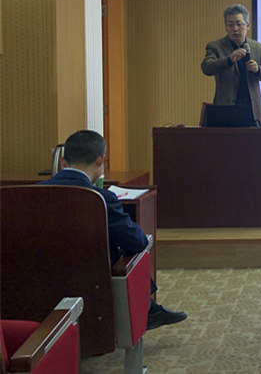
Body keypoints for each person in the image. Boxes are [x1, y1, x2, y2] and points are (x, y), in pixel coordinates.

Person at [39, 130, 187, 331]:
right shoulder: (101, 199)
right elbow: (137, 242)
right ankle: (147, 311)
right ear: (100, 161)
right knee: (133, 251)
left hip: (42, 277)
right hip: (93, 280)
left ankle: (151, 309)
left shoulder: (34, 193)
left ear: (63, 162)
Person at [201, 4, 261, 126]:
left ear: (248, 26)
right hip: (226, 110)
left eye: (239, 24)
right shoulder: (215, 47)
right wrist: (229, 60)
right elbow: (207, 67)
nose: (235, 29)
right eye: (230, 25)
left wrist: (258, 69)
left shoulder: (258, 48)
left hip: (253, 111)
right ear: (226, 26)